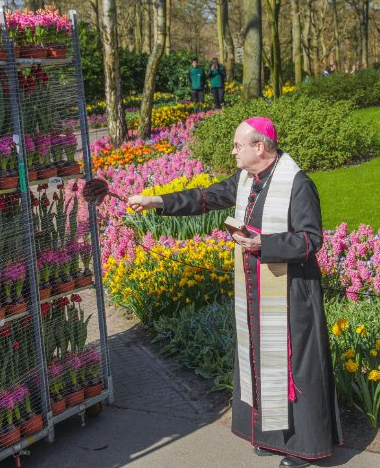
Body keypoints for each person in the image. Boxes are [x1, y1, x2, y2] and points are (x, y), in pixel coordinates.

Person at [129, 118, 342, 468]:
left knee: (292, 365)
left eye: (237, 145)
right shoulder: (247, 179)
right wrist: (156, 201)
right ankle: (273, 436)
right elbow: (205, 197)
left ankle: (303, 447)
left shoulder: (298, 184)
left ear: (260, 147)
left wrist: (264, 242)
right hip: (257, 285)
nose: (233, 151)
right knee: (259, 358)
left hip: (291, 291)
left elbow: (311, 239)